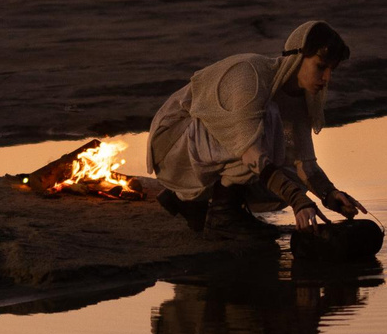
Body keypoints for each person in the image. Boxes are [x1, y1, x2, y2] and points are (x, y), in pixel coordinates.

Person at [148, 20, 368, 231]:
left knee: (292, 176)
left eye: (332, 70)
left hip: (200, 151)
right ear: (298, 57)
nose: (327, 78)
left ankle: (195, 202)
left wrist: (329, 194)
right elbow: (250, 152)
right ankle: (224, 215)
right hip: (172, 146)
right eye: (321, 67)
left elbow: (304, 164)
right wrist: (297, 200)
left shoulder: (299, 99)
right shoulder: (250, 75)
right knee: (264, 126)